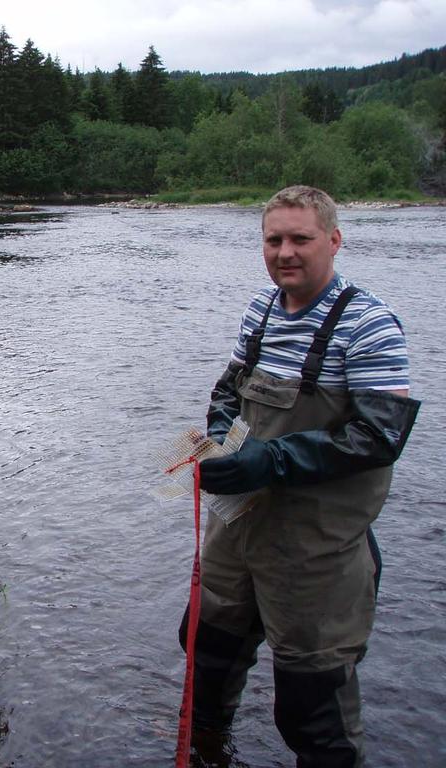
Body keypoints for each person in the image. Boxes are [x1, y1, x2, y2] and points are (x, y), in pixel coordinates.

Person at [181, 185, 420, 767]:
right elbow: (228, 392)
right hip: (237, 529)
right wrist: (220, 439)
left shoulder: (370, 324)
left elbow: (379, 437)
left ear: (333, 241)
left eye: (301, 239)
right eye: (274, 239)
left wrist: (274, 459)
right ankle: (209, 750)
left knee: (310, 706)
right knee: (203, 655)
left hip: (317, 547)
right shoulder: (261, 310)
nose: (286, 252)